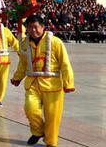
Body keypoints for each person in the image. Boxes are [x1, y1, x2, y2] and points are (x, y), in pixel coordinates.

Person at [11, 15, 75, 147]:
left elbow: (65, 63)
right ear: (26, 29)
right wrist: (17, 77)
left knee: (52, 117)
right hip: (33, 83)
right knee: (30, 109)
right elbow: (23, 64)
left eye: (36, 27)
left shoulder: (55, 42)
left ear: (43, 27)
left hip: (53, 85)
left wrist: (69, 83)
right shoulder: (24, 44)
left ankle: (51, 142)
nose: (33, 30)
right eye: (29, 27)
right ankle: (38, 131)